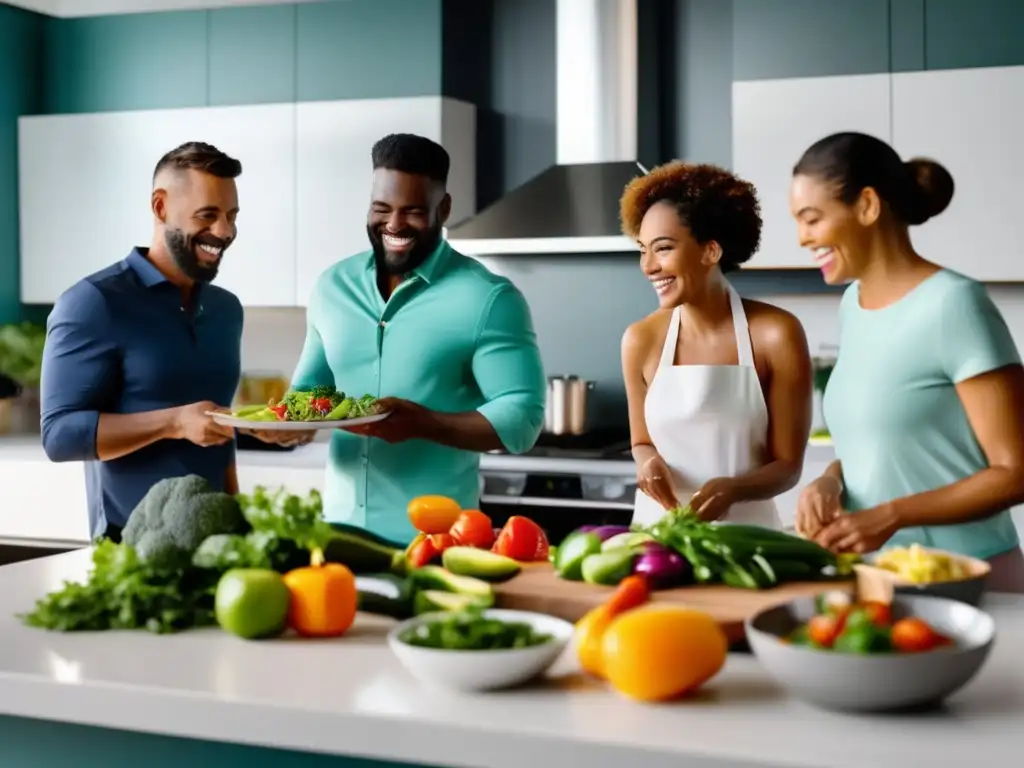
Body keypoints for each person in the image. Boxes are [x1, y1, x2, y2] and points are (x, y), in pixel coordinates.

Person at [256, 133, 546, 545]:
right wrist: (289, 426)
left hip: (440, 541)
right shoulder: (331, 287)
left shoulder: (489, 299)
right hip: (337, 538)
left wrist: (424, 424)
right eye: (381, 209)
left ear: (442, 209)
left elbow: (523, 417)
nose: (393, 225)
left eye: (411, 211)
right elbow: (309, 394)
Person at [791, 131, 1024, 592]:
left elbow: (1015, 472)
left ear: (868, 206)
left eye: (812, 219)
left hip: (969, 575)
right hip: (879, 577)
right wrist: (830, 481)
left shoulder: (953, 303)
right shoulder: (852, 305)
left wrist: (892, 515)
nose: (802, 238)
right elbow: (880, 450)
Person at [40, 141, 245, 542]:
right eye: (207, 215)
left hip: (220, 544)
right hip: (127, 547)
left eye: (231, 216)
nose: (224, 231)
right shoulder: (94, 303)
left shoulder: (226, 310)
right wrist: (173, 422)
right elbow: (59, 436)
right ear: (160, 207)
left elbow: (217, 434)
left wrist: (241, 520)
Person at [620, 161, 814, 528]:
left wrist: (735, 489)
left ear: (711, 251)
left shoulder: (776, 334)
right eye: (642, 249)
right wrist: (647, 463)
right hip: (659, 535)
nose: (648, 266)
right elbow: (641, 442)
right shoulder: (640, 340)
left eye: (662, 249)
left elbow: (788, 466)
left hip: (747, 537)